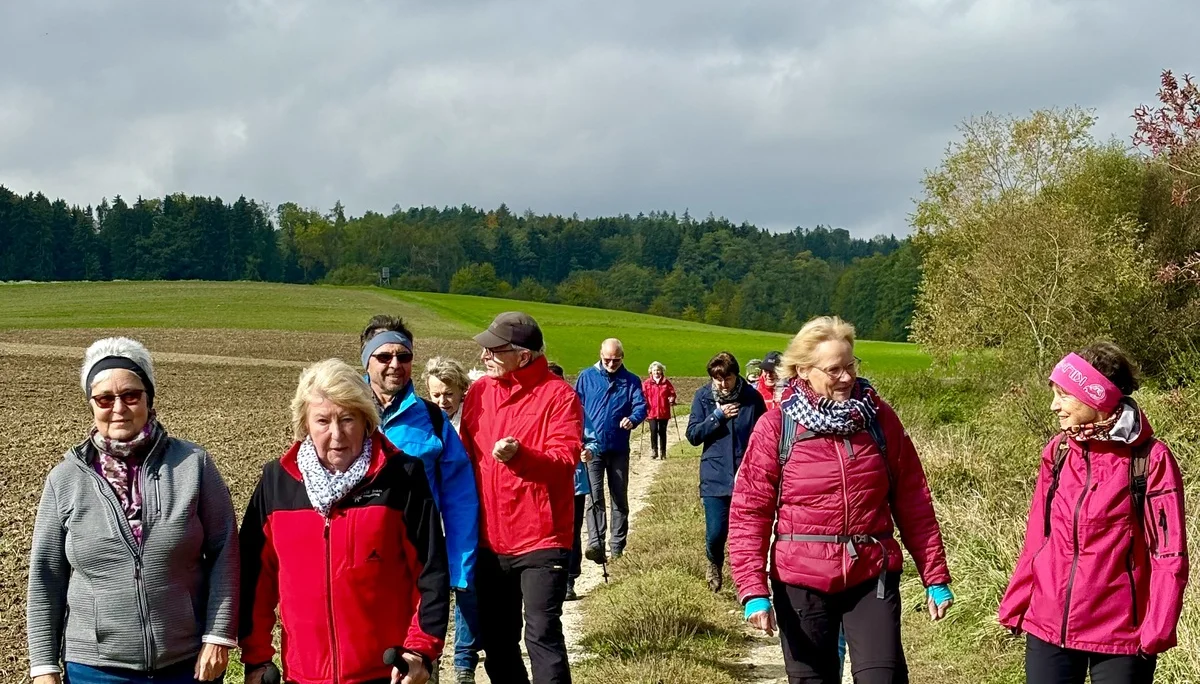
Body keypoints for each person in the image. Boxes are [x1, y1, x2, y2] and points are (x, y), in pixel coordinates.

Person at [729, 316, 953, 684]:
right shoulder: (776, 427)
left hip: (870, 574)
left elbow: (914, 501)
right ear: (803, 370)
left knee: (883, 678)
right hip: (800, 580)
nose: (847, 377)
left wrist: (935, 575)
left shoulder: (880, 420)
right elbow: (750, 512)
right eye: (834, 370)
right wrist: (753, 588)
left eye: (851, 366)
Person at [27, 337, 238, 684]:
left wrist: (218, 635)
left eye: (130, 395)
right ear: (91, 405)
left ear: (148, 399)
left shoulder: (192, 464)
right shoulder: (65, 479)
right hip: (95, 670)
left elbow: (225, 551)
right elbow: (46, 576)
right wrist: (43, 667)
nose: (118, 408)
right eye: (104, 399)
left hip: (188, 664)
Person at [240, 358, 448, 684]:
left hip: (387, 673)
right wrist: (256, 658)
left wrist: (420, 650)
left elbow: (431, 571)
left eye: (348, 419)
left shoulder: (402, 476)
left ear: (366, 420)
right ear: (305, 424)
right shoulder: (277, 482)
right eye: (323, 421)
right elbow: (255, 578)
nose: (336, 434)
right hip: (303, 676)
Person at [998, 343, 1189, 684]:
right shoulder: (1058, 452)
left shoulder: (1151, 460)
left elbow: (1168, 554)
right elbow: (1038, 538)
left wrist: (1157, 629)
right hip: (1047, 623)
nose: (1054, 406)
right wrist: (1018, 600)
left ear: (1097, 398)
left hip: (1121, 635)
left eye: (1064, 395)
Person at [459, 312, 584, 684]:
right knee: (497, 642)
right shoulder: (479, 392)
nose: (484, 356)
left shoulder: (559, 396)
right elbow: (465, 458)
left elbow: (564, 461)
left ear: (524, 356)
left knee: (542, 635)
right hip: (489, 539)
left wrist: (520, 456)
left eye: (494, 350)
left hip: (542, 538)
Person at [360, 316, 480, 684]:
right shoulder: (343, 413)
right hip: (359, 561)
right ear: (365, 359)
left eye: (404, 356)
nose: (395, 364)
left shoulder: (432, 419)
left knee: (419, 661)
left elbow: (460, 498)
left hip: (420, 559)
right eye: (384, 356)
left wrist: (460, 565)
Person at [685, 351, 767, 593]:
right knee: (716, 532)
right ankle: (714, 564)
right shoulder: (703, 397)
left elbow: (765, 435)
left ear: (736, 375)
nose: (722, 384)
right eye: (717, 379)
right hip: (714, 476)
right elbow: (693, 436)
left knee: (748, 534)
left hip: (747, 475)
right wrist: (717, 417)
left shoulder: (752, 398)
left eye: (727, 379)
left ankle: (749, 581)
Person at [575, 338, 647, 562]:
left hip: (618, 448)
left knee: (619, 497)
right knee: (594, 496)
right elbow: (575, 407)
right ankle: (596, 543)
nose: (611, 364)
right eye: (607, 359)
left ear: (622, 357)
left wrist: (633, 419)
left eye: (616, 360)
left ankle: (617, 547)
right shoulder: (586, 377)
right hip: (592, 449)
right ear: (600, 355)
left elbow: (641, 406)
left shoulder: (631, 380)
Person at [547, 362, 602, 602]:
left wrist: (589, 451)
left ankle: (569, 579)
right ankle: (549, 581)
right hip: (543, 484)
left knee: (571, 533)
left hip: (574, 483)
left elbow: (592, 439)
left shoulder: (575, 407)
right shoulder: (533, 409)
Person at [425, 356, 472, 433]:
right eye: (436, 395)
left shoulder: (472, 419)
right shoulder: (424, 419)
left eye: (449, 394)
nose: (442, 401)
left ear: (463, 388)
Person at [641, 361, 677, 460]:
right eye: (654, 370)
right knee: (653, 430)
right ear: (651, 371)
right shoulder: (647, 383)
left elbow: (672, 393)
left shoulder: (666, 382)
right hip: (651, 412)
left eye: (658, 370)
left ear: (661, 371)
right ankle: (654, 450)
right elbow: (642, 395)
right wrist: (643, 404)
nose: (656, 372)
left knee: (662, 432)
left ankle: (663, 452)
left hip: (663, 412)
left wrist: (672, 399)